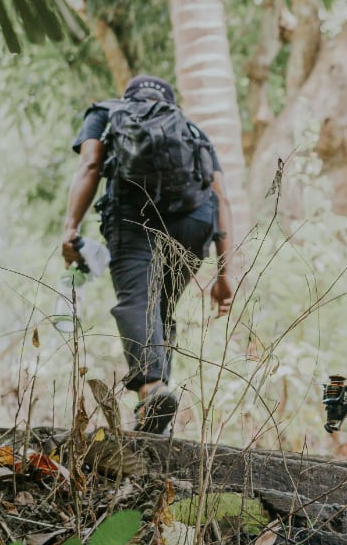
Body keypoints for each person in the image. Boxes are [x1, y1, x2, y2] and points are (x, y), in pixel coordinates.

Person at [60, 75, 237, 435]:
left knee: (138, 302)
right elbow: (221, 198)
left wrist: (71, 228)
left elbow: (91, 165)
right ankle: (154, 412)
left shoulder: (108, 112)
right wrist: (224, 272)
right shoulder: (192, 131)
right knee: (162, 309)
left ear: (128, 97)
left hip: (132, 214)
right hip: (193, 224)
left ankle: (153, 389)